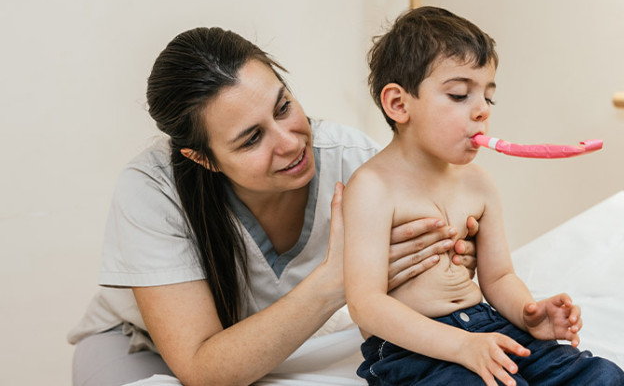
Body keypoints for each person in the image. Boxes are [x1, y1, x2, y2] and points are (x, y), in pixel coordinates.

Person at [67, 26, 481, 386]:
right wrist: (339, 278)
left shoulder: (355, 162)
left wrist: (457, 254)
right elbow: (200, 369)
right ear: (203, 159)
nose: (289, 142)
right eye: (251, 139)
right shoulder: (153, 191)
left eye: (284, 107)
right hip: (142, 347)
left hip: (302, 344)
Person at [343, 6, 624, 386]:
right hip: (411, 347)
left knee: (602, 377)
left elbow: (498, 276)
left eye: (488, 98)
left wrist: (529, 314)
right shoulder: (371, 187)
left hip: (486, 324)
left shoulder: (478, 183)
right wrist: (460, 346)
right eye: (460, 94)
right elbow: (366, 305)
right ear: (399, 104)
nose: (481, 111)